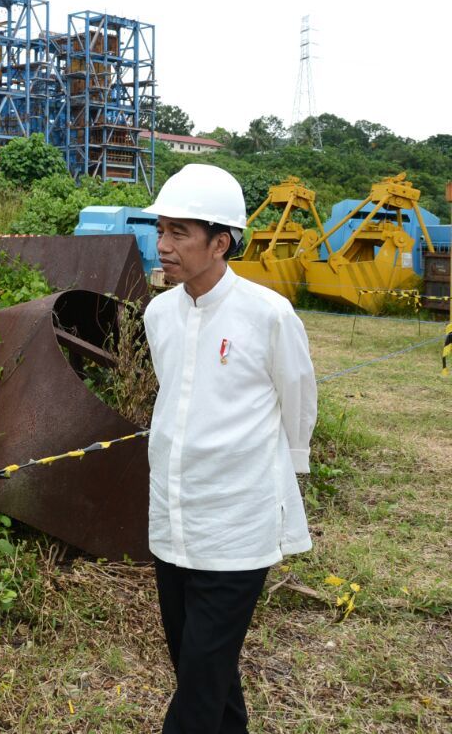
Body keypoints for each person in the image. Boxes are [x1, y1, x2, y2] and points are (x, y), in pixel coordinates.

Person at [141, 163, 317, 734]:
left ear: (221, 243)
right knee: (203, 671)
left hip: (238, 523)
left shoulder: (267, 315)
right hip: (174, 517)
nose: (163, 246)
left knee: (197, 683)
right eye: (160, 230)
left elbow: (298, 400)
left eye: (178, 233)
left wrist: (285, 479)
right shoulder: (159, 313)